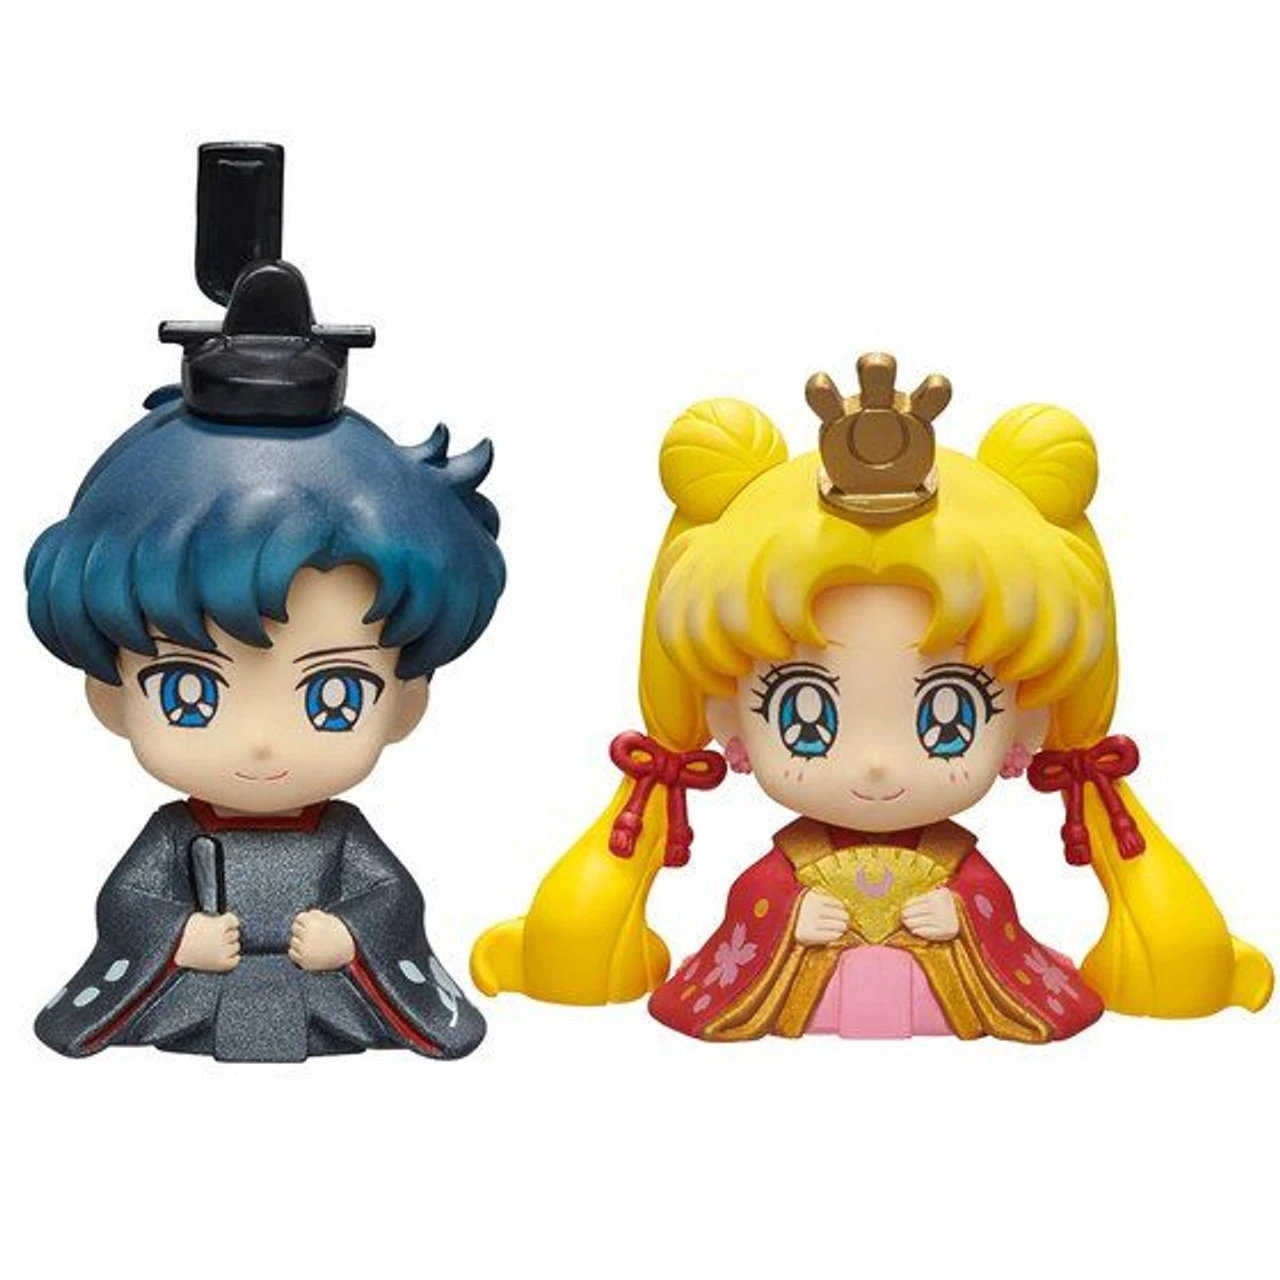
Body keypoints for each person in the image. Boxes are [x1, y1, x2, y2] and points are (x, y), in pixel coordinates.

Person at [474, 352, 1270, 1043]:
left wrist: (962, 920)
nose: (880, 764)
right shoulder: (785, 874)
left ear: (1027, 719)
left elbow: (999, 926)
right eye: (805, 716)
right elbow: (749, 919)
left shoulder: (963, 873)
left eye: (949, 717)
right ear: (725, 716)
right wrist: (792, 920)